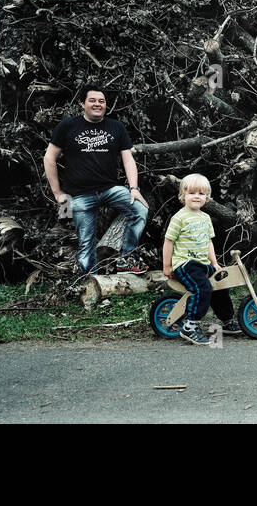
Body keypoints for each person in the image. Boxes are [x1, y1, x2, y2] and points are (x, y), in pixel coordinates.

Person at [43, 85, 149, 275]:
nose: (97, 104)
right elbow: (49, 158)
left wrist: (134, 188)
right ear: (83, 104)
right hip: (79, 194)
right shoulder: (67, 126)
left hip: (110, 189)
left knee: (140, 208)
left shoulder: (116, 126)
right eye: (92, 100)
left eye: (101, 101)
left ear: (106, 105)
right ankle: (90, 280)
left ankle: (125, 260)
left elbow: (128, 159)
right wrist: (57, 193)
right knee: (85, 241)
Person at [162, 174, 241, 345]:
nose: (196, 196)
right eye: (191, 193)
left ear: (207, 197)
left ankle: (227, 321)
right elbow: (168, 242)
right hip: (184, 264)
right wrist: (167, 265)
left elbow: (208, 242)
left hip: (202, 264)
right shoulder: (179, 217)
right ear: (183, 196)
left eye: (201, 193)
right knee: (202, 288)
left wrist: (214, 262)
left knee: (220, 285)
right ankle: (190, 327)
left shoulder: (205, 218)